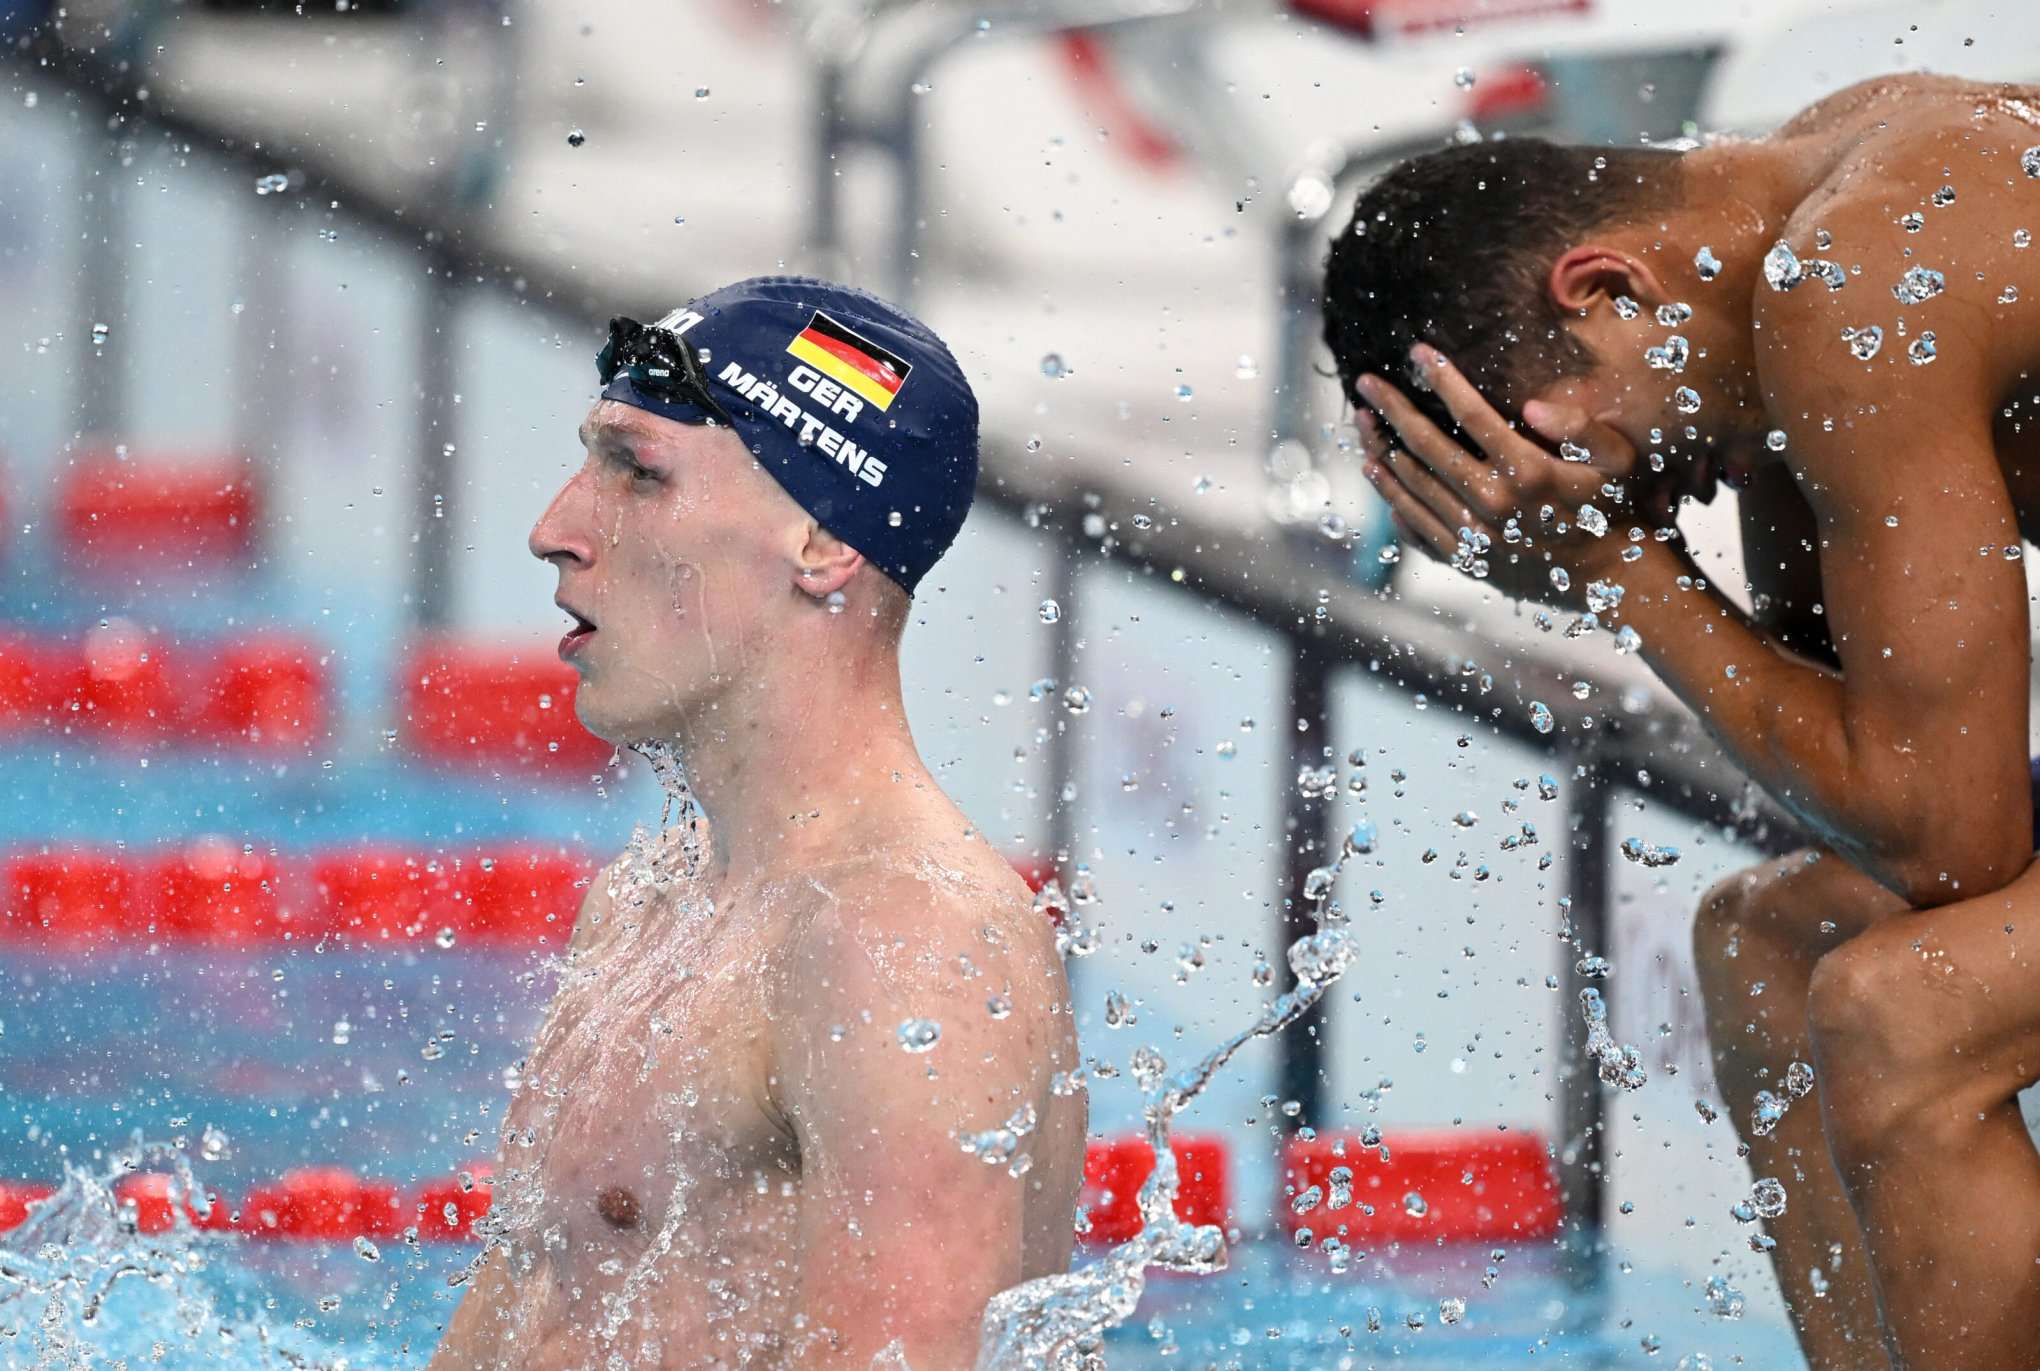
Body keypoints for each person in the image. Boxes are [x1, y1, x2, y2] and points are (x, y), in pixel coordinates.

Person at [1321, 77, 2040, 1371]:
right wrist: (1634, 565)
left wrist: (1620, 576)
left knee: (1907, 1016)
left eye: (1608, 461)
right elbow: (1863, 755)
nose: (1648, 495)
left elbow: (1952, 842)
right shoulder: (1763, 250)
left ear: (1604, 291)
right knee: (1763, 938)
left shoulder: (1851, 280)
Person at [430, 276, 1086, 1370]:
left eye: (638, 472)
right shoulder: (646, 907)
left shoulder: (903, 941)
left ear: (823, 543)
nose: (556, 529)